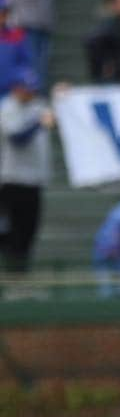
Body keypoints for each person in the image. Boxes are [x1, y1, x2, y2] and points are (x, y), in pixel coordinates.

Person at [0, 66, 52, 271]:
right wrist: (39, 123)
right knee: (11, 233)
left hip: (34, 181)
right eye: (27, 88)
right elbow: (17, 139)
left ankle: (20, 280)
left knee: (29, 233)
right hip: (11, 180)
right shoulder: (7, 108)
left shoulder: (38, 105)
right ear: (16, 88)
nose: (31, 92)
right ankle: (11, 278)